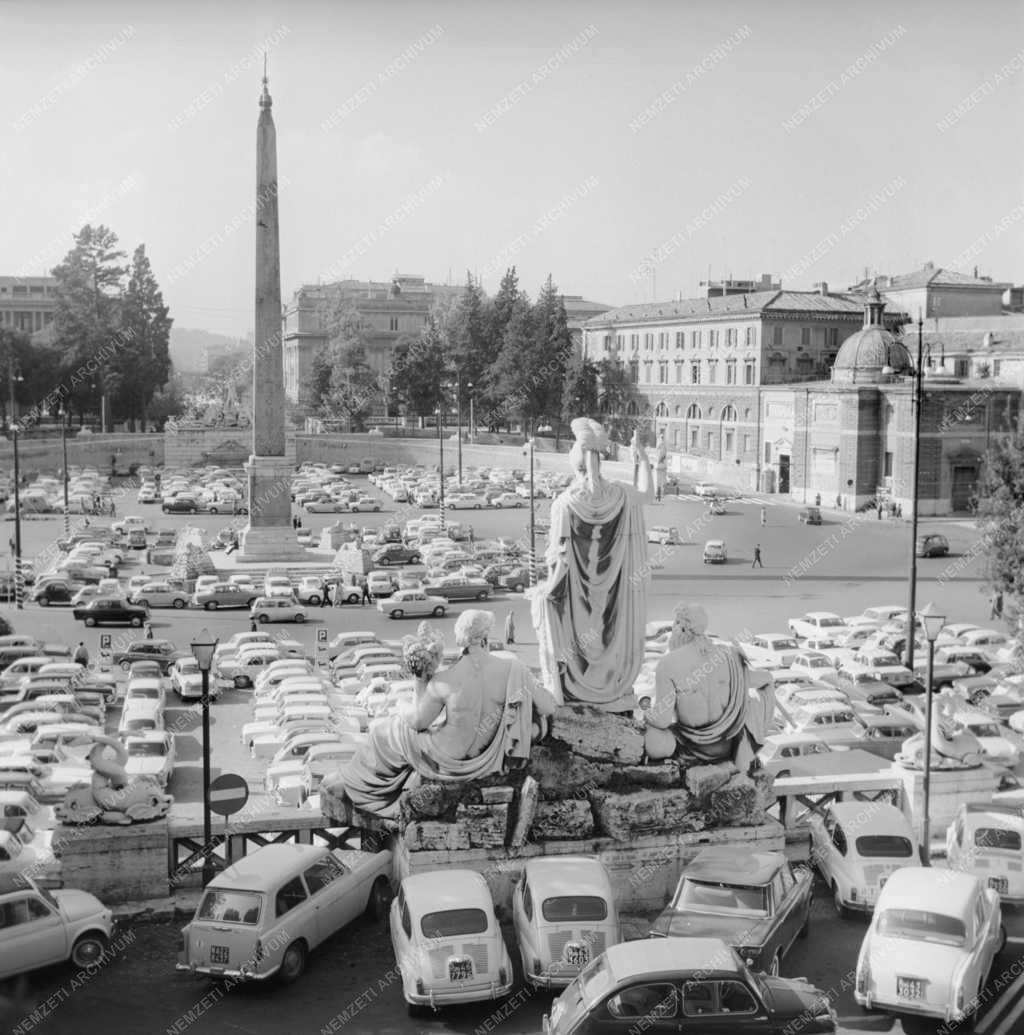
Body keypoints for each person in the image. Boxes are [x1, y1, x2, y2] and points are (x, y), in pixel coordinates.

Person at [321, 611, 556, 820]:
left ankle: (352, 783)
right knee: (391, 730)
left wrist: (408, 696)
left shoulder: (445, 679)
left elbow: (418, 722)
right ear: (486, 637)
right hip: (488, 759)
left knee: (384, 731)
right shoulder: (513, 669)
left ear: (460, 640)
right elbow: (548, 708)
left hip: (446, 757)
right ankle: (354, 784)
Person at [531, 419, 653, 712]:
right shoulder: (620, 496)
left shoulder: (564, 504)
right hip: (613, 594)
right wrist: (645, 458)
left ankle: (580, 686)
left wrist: (546, 591)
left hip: (578, 599)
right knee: (606, 632)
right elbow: (648, 494)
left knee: (578, 639)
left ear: (575, 465)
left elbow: (559, 558)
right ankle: (610, 685)